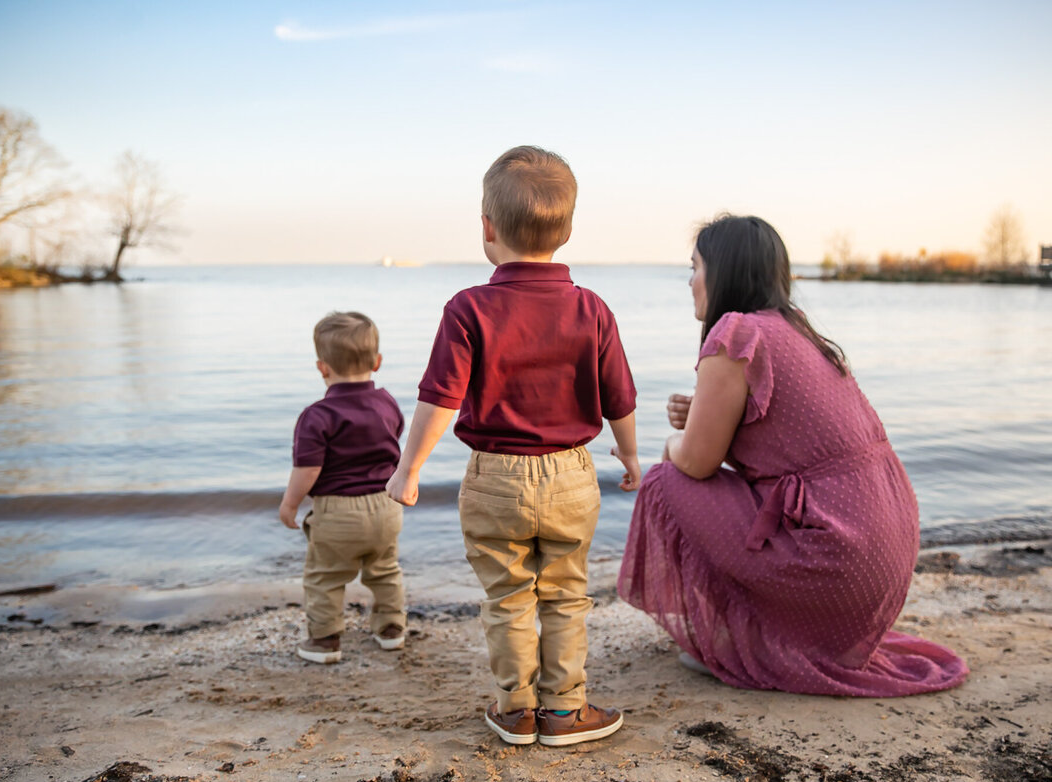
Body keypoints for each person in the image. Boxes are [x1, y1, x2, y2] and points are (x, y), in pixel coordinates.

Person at [617, 214, 968, 696]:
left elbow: (696, 463)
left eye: (695, 267)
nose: (691, 281)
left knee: (664, 481)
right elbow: (787, 439)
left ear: (724, 272)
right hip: (883, 550)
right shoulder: (797, 330)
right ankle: (766, 636)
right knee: (691, 481)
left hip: (837, 556)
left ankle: (738, 644)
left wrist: (673, 444)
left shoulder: (735, 334)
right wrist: (705, 414)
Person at [386, 145, 642, 746]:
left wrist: (409, 468)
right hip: (571, 475)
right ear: (569, 230)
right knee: (564, 593)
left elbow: (440, 398)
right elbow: (619, 397)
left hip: (494, 477)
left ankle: (515, 709)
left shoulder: (469, 307)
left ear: (487, 229)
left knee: (507, 596)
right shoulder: (592, 309)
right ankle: (564, 711)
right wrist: (629, 455)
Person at [279, 311, 406, 664]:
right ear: (377, 362)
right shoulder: (388, 403)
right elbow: (392, 445)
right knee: (385, 570)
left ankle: (323, 641)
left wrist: (290, 505)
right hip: (385, 505)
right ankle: (391, 629)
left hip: (338, 513)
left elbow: (308, 469)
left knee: (325, 577)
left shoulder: (317, 416)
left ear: (322, 367)